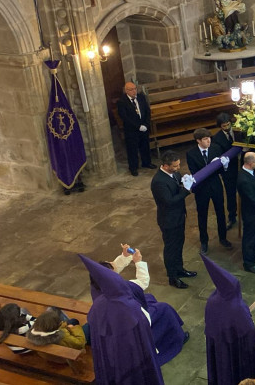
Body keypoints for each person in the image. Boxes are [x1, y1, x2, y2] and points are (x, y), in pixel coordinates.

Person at [94, 244, 188, 365]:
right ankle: (177, 336)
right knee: (164, 308)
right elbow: (143, 282)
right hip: (134, 323)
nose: (114, 265)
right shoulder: (124, 288)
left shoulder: (97, 285)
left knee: (149, 298)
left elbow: (113, 268)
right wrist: (138, 262)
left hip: (116, 320)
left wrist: (125, 256)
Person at [79, 255, 163, 385]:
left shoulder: (97, 305)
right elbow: (143, 327)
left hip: (110, 357)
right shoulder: (128, 307)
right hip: (132, 358)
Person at [202, 255, 255, 385]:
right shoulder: (237, 307)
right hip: (237, 352)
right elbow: (249, 334)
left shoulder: (212, 301)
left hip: (218, 348)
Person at [150, 150, 196, 288]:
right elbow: (169, 201)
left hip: (178, 216)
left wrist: (185, 181)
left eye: (178, 165)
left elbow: (178, 183)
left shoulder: (174, 173)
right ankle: (172, 277)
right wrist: (185, 191)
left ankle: (179, 269)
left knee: (179, 244)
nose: (178, 169)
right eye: (175, 166)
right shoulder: (159, 181)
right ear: (165, 165)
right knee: (171, 248)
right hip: (168, 220)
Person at [186, 128, 232, 255]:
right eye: (205, 139)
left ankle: (223, 238)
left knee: (220, 212)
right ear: (198, 141)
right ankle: (204, 242)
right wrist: (210, 167)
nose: (209, 141)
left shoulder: (216, 149)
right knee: (202, 215)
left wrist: (224, 165)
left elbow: (221, 171)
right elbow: (195, 173)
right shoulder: (191, 154)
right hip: (202, 188)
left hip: (216, 185)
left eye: (209, 138)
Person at [117, 82, 155, 176]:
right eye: (131, 90)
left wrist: (146, 124)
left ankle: (146, 162)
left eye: (135, 89)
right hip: (131, 130)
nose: (134, 91)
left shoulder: (141, 97)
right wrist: (138, 126)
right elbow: (125, 117)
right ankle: (133, 167)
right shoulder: (122, 102)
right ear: (126, 91)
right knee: (132, 149)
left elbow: (147, 111)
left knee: (145, 145)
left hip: (144, 127)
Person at [212, 113, 239, 230]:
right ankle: (232, 215)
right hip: (228, 170)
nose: (227, 127)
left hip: (242, 165)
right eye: (224, 126)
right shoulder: (217, 138)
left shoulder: (238, 131)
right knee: (230, 193)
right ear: (220, 126)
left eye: (228, 124)